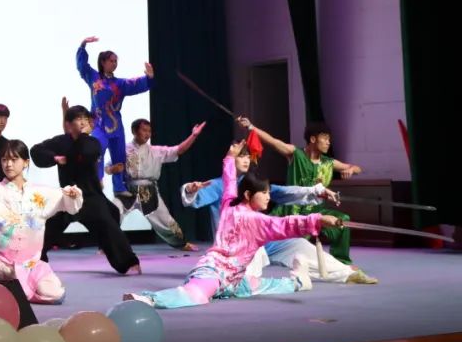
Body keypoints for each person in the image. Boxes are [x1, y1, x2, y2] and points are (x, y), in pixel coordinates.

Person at [125, 144, 343, 309]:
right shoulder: (250, 215)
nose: (268, 197)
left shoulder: (233, 203)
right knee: (197, 294)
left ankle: (299, 281)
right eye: (264, 193)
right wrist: (319, 220)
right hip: (214, 271)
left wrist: (229, 157)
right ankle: (150, 299)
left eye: (268, 192)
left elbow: (231, 182)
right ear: (248, 194)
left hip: (234, 278)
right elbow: (287, 223)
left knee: (263, 283)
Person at [0, 140, 82, 303]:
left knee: (54, 294)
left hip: (28, 264)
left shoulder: (41, 193)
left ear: (26, 162)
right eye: (4, 159)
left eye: (14, 159)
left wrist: (72, 194)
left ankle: (8, 288)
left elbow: (69, 203)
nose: (8, 164)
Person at [31, 105, 141, 275]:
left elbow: (86, 152)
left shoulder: (92, 141)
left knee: (108, 223)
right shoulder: (61, 141)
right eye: (78, 119)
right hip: (67, 196)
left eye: (85, 119)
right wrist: (55, 158)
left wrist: (81, 136)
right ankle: (32, 260)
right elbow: (36, 151)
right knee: (46, 227)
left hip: (90, 197)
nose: (82, 122)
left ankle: (128, 263)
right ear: (69, 124)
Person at [238, 117, 361, 264]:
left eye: (329, 139)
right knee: (261, 241)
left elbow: (356, 168)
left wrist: (351, 170)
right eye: (325, 138)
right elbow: (273, 141)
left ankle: (342, 261)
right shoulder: (295, 154)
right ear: (313, 139)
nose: (328, 142)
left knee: (342, 220)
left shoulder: (329, 163)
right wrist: (251, 127)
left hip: (316, 211)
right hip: (290, 211)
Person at [75, 38, 152, 196]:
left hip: (116, 126)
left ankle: (119, 187)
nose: (115, 63)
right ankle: (97, 182)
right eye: (111, 60)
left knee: (119, 156)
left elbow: (135, 84)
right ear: (103, 62)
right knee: (97, 148)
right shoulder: (94, 77)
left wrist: (149, 78)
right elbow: (82, 66)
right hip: (98, 124)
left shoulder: (120, 84)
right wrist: (83, 45)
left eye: (116, 61)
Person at [122, 118, 203, 251]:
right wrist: (111, 169)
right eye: (144, 130)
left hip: (148, 190)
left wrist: (193, 135)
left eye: (149, 131)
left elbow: (179, 149)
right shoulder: (123, 149)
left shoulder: (156, 151)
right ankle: (106, 246)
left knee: (165, 220)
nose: (147, 134)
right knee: (113, 213)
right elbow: (109, 167)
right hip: (127, 189)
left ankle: (181, 243)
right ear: (134, 131)